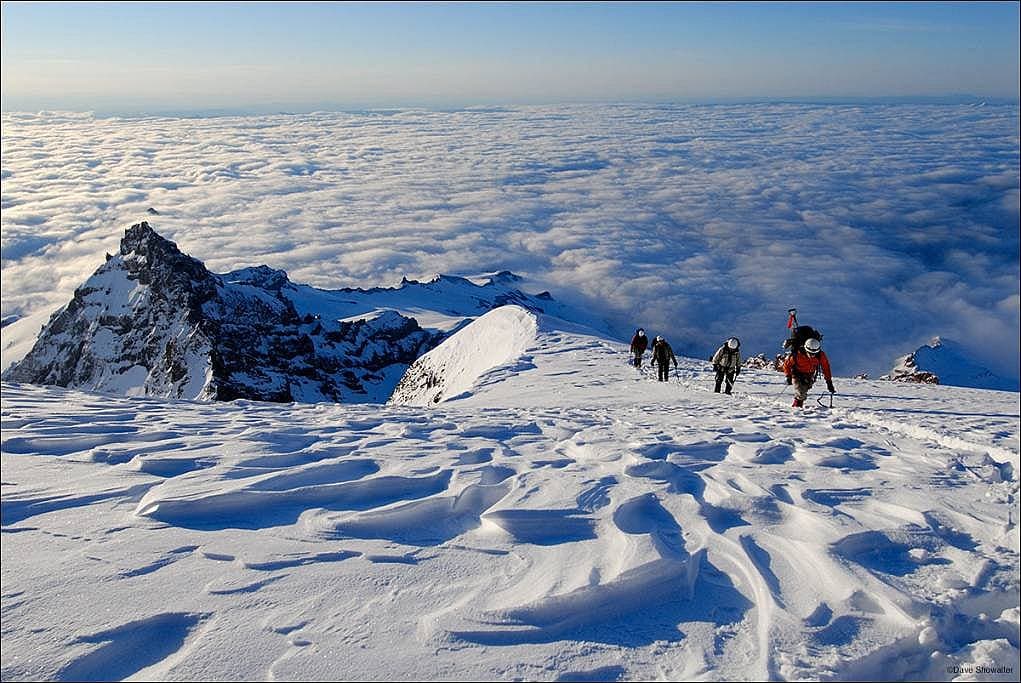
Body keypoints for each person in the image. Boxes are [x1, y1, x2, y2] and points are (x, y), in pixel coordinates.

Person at [783, 337, 835, 407]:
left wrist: (829, 382)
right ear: (806, 349)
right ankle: (796, 408)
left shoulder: (820, 355)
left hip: (809, 375)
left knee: (804, 390)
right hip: (797, 374)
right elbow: (786, 365)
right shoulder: (796, 355)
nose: (812, 356)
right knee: (801, 392)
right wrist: (788, 376)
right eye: (810, 353)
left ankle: (798, 405)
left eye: (814, 354)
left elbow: (826, 368)